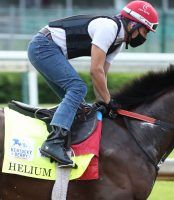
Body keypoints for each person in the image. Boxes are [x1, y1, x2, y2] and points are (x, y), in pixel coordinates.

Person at [27, 0, 159, 167]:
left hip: (47, 48)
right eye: (145, 30)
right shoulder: (109, 28)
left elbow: (101, 76)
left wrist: (102, 103)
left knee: (80, 107)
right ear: (133, 24)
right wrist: (109, 101)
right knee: (77, 88)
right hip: (42, 46)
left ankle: (64, 143)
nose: (144, 37)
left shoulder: (117, 42)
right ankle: (53, 143)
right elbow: (95, 71)